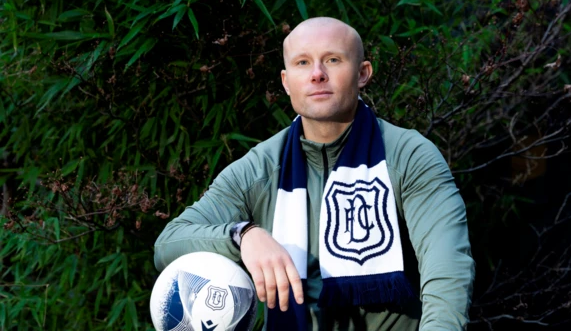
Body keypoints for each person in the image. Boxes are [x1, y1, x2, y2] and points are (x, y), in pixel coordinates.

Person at [154, 17, 475, 330]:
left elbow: (447, 270)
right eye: (303, 63)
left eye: (333, 60)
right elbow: (168, 244)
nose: (317, 74)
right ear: (285, 81)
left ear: (363, 73)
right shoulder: (259, 168)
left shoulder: (408, 155)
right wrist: (243, 236)